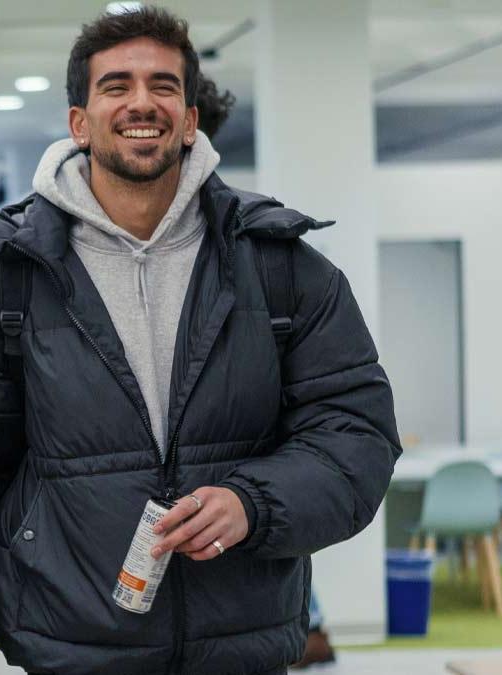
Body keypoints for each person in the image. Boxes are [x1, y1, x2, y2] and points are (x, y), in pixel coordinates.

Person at [0, 6, 401, 674]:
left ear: (191, 117)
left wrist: (251, 503)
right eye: (116, 85)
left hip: (243, 645)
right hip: (70, 649)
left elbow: (358, 437)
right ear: (78, 122)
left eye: (163, 86)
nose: (142, 101)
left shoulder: (283, 270)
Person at [189, 70, 337, 669]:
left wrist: (252, 502)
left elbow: (335, 430)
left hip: (247, 559)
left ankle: (316, 626)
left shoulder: (267, 255)